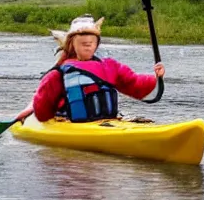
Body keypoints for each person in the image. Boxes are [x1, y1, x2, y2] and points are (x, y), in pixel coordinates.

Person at [16, 14, 165, 123]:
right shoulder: (58, 74)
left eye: (91, 43)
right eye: (83, 43)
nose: (88, 46)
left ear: (96, 44)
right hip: (68, 123)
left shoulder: (110, 66)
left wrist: (157, 77)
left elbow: (134, 83)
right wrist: (37, 112)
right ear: (71, 45)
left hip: (108, 122)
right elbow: (43, 112)